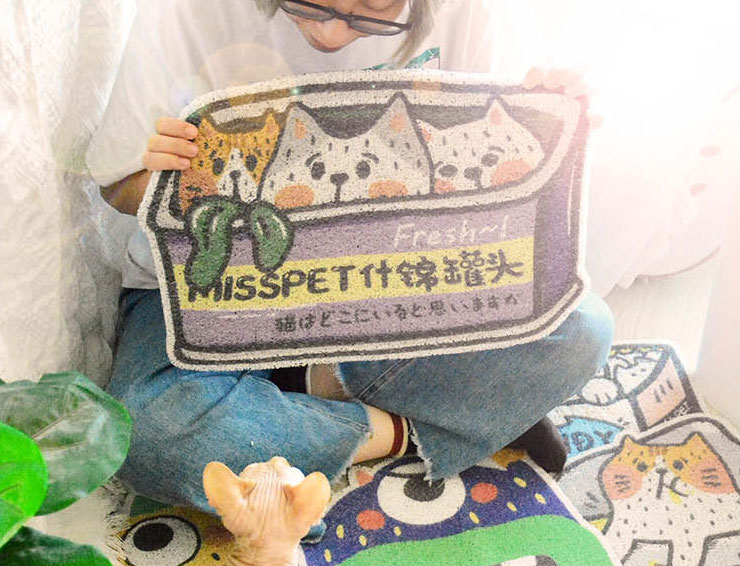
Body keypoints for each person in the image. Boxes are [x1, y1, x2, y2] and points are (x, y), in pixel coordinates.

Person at [88, 0, 614, 516]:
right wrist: (169, 180)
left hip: (388, 281)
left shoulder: (470, 11)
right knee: (148, 434)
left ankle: (309, 392)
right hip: (210, 284)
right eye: (308, 2)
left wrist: (552, 124)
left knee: (579, 327)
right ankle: (414, 421)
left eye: (373, 8)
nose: (332, 35)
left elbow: (493, 182)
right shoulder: (182, 10)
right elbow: (116, 186)